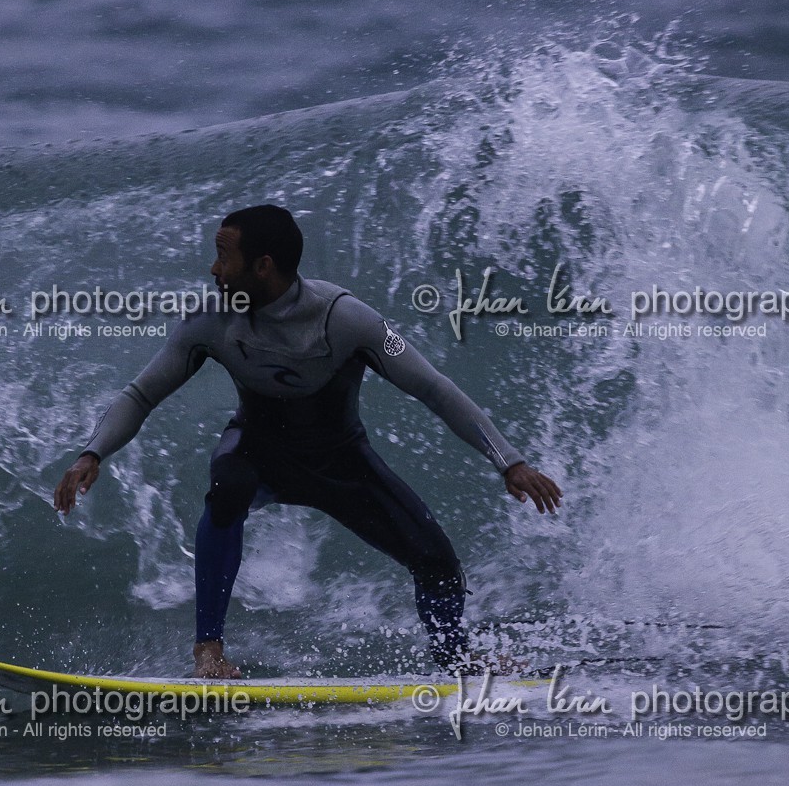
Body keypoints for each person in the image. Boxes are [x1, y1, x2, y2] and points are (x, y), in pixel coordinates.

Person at [54, 204, 561, 678]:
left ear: (263, 266)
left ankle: (456, 664)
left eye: (224, 258)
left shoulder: (349, 319)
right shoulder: (209, 323)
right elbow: (141, 394)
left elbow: (432, 388)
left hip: (341, 461)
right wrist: (92, 452)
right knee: (227, 484)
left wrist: (508, 462)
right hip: (258, 452)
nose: (213, 270)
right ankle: (209, 650)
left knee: (438, 562)